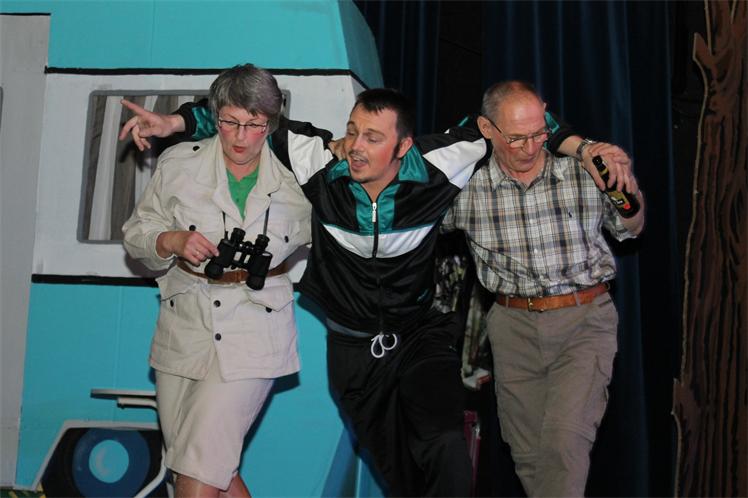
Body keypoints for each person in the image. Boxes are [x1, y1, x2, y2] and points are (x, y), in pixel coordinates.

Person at [119, 85, 632, 496]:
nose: (356, 147)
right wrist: (172, 123)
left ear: (403, 146)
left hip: (419, 336)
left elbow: (522, 123)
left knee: (444, 444)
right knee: (400, 473)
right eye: (352, 132)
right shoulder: (320, 162)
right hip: (352, 350)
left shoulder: (441, 161)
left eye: (372, 137)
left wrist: (587, 149)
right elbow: (247, 116)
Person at [442, 81, 645, 497]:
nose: (530, 146)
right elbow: (410, 217)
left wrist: (624, 190)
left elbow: (632, 227)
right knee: (529, 455)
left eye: (538, 134)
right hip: (511, 326)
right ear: (487, 128)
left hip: (583, 320)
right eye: (517, 137)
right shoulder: (466, 189)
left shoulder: (582, 171)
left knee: (564, 444)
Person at [121, 64, 311, 498]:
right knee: (199, 469)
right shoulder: (178, 163)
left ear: (271, 122)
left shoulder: (300, 176)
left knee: (198, 469)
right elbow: (136, 233)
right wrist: (169, 240)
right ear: (215, 115)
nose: (241, 137)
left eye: (254, 124)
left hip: (255, 333)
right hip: (183, 332)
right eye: (229, 122)